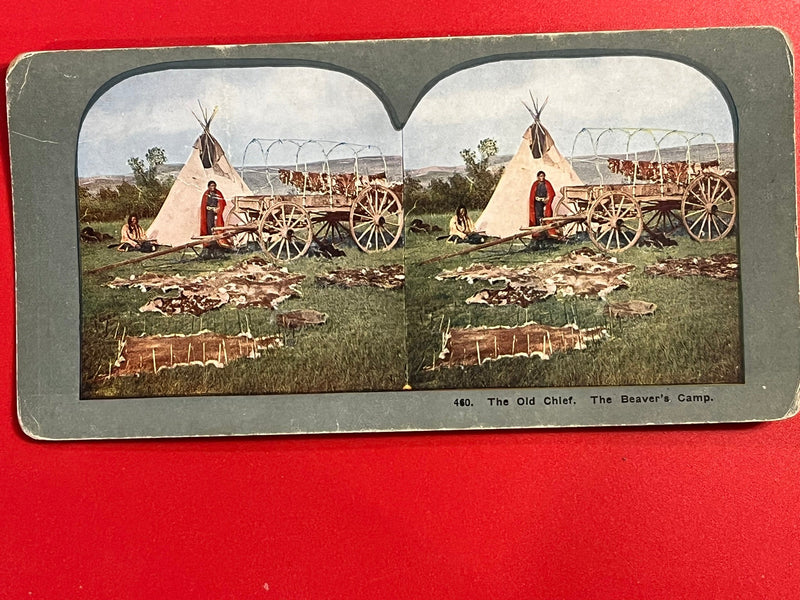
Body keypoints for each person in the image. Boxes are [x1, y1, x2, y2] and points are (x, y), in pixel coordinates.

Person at [199, 181, 230, 253]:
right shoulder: (206, 194)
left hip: (217, 212)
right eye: (211, 186)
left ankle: (218, 240)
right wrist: (210, 208)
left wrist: (218, 208)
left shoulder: (218, 193)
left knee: (217, 226)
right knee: (209, 225)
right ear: (209, 187)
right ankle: (210, 241)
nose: (213, 187)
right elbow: (204, 205)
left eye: (214, 186)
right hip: (209, 212)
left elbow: (222, 202)